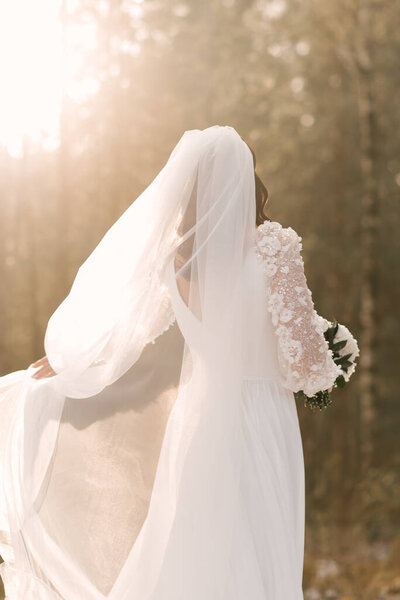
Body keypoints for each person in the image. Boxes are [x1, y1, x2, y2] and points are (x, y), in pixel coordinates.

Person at [0, 125, 340, 600]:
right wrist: (333, 358)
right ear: (250, 182)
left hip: (201, 417)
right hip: (261, 417)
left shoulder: (180, 260)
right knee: (259, 537)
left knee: (200, 540)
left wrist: (72, 360)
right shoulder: (274, 246)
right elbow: (305, 362)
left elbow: (134, 332)